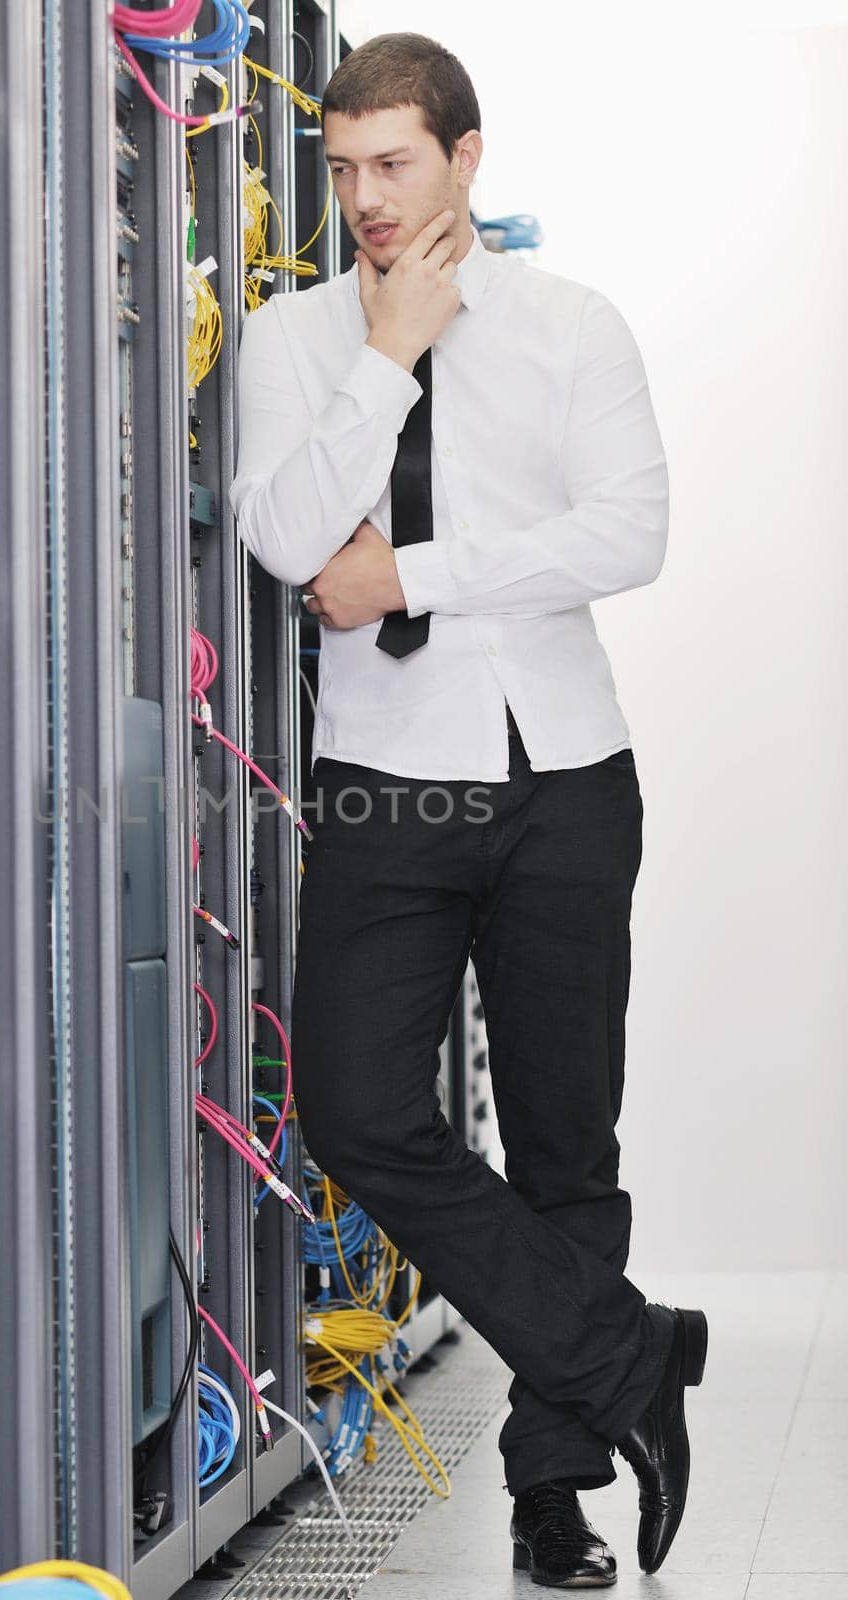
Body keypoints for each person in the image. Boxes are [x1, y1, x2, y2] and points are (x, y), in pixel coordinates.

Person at [228, 30, 708, 1589]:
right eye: (344, 167)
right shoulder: (296, 343)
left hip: (567, 780)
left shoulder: (573, 327)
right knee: (363, 1110)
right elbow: (293, 537)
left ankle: (551, 1490)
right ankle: (631, 1352)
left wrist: (415, 574)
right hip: (387, 787)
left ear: (465, 156)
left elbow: (626, 531)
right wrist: (388, 352)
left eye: (394, 164)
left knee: (570, 1140)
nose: (365, 196)